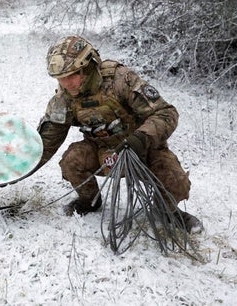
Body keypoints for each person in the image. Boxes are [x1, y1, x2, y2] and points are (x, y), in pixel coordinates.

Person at [34, 35, 203, 233]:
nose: (66, 83)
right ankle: (89, 201)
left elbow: (166, 113)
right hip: (102, 152)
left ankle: (168, 211)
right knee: (72, 160)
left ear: (87, 67)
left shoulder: (120, 80)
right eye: (60, 78)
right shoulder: (64, 98)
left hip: (142, 149)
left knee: (176, 182)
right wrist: (11, 172)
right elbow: (47, 141)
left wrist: (140, 139)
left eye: (72, 75)